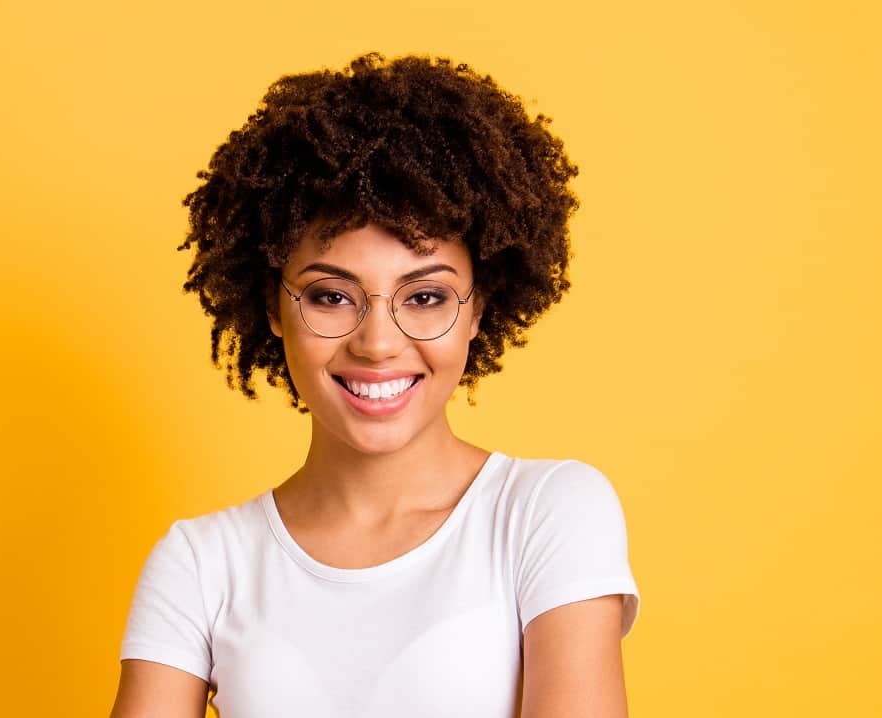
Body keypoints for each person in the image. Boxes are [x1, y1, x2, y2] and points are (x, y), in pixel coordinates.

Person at [110, 52, 641, 718]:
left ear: (479, 307)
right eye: (332, 296)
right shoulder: (200, 564)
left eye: (425, 297)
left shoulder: (545, 514)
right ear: (274, 307)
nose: (379, 342)